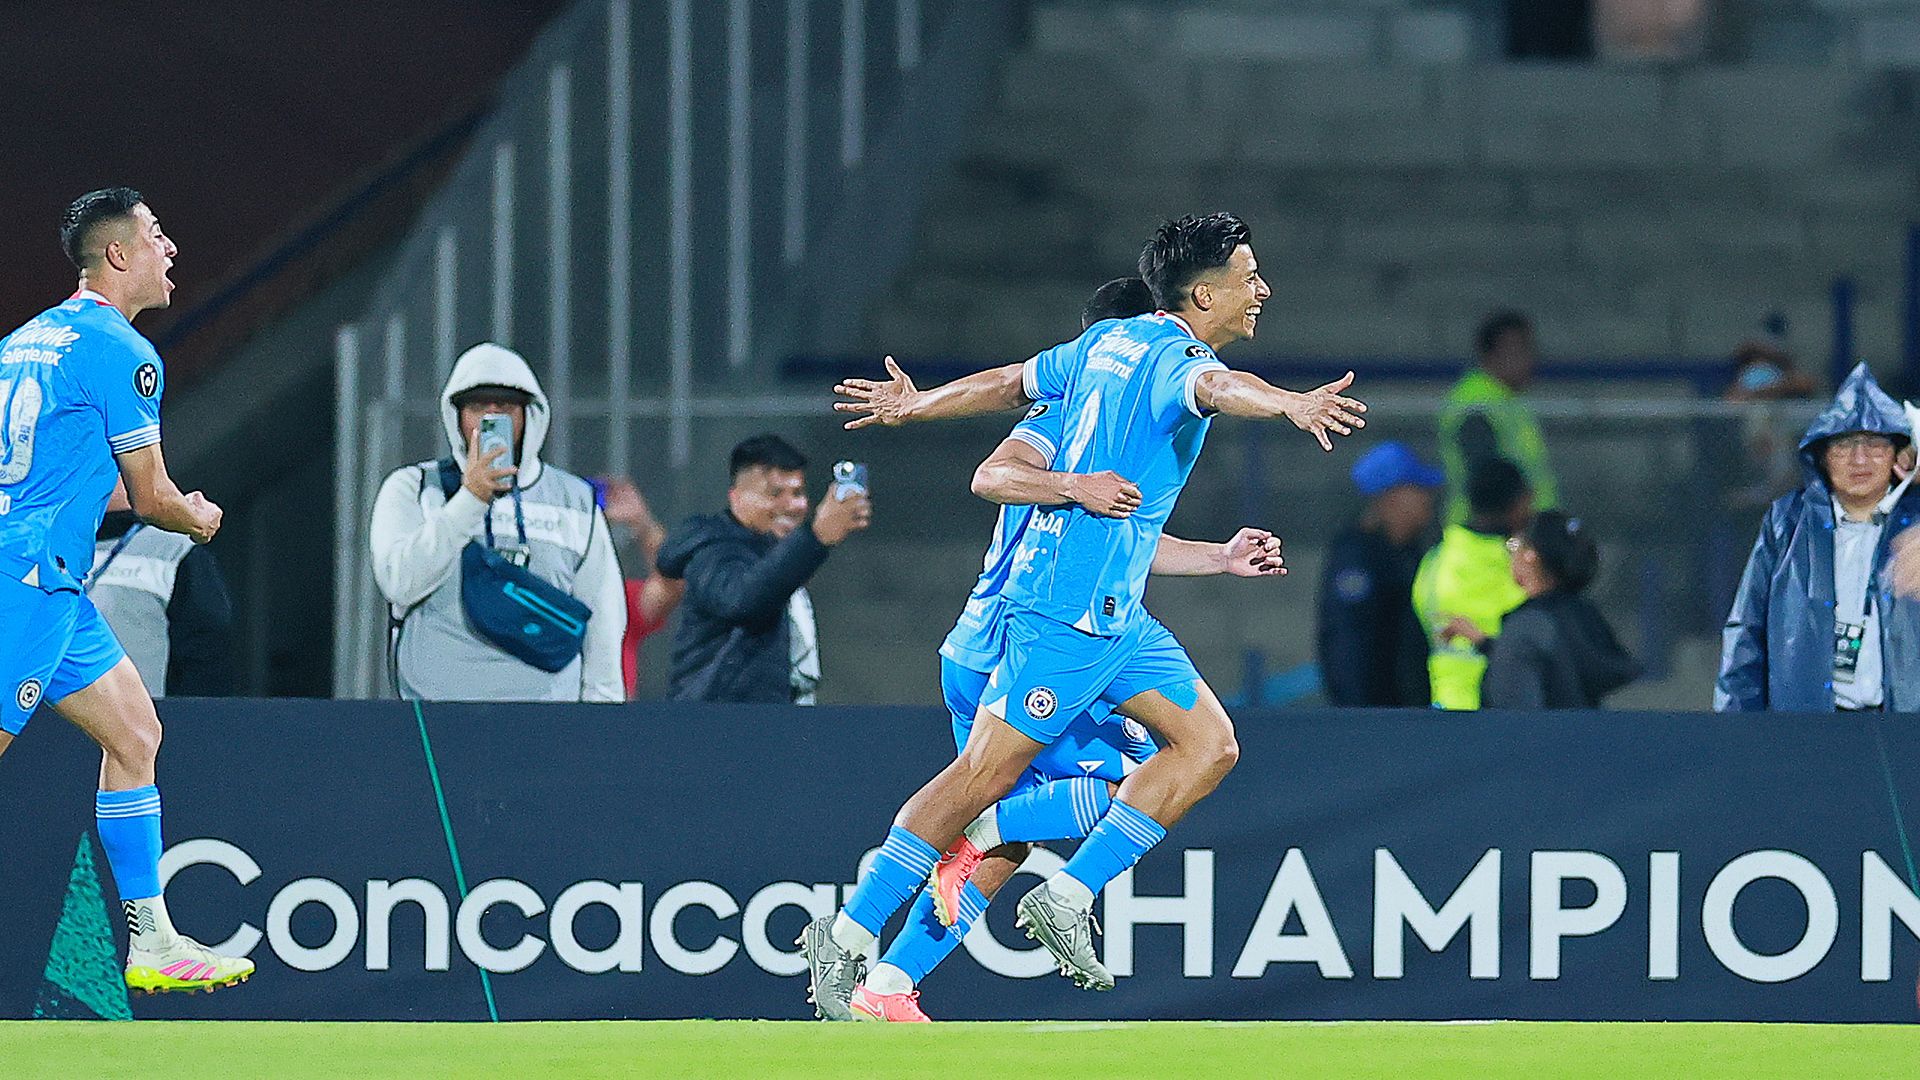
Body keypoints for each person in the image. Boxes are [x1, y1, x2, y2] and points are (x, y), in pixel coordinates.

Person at [807, 213, 1365, 1003]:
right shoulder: (1179, 360)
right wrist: (1291, 406)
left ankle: (1061, 899)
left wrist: (920, 405)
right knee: (983, 783)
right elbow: (1218, 388)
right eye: (1249, 274)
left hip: (1115, 616)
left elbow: (1010, 381)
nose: (1262, 288)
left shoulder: (1103, 346)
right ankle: (850, 937)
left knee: (1208, 746)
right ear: (1203, 293)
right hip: (1061, 617)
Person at [0, 187, 252, 994]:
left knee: (135, 735)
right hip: (27, 584)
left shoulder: (25, 341)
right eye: (155, 234)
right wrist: (197, 516)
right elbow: (151, 501)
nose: (170, 247)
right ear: (118, 256)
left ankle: (152, 942)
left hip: (51, 586)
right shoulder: (123, 351)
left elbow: (60, 470)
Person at [370, 343, 626, 701]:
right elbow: (399, 583)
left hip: (548, 724)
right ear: (456, 416)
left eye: (505, 406)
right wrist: (471, 498)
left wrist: (600, 722)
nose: (492, 416)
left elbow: (604, 620)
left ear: (529, 415)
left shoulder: (576, 500)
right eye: (477, 406)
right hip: (434, 716)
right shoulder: (413, 487)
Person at [1717, 363, 1920, 712]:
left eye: (1875, 444)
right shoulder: (1788, 522)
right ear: (1822, 455)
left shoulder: (1915, 524)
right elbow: (1746, 633)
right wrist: (1736, 735)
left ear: (1899, 455)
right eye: (1844, 446)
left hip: (1904, 732)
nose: (1860, 459)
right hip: (1808, 732)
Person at [655, 435, 871, 703]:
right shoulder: (712, 548)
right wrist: (816, 536)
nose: (793, 506)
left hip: (769, 725)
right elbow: (741, 599)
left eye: (798, 493)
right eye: (775, 494)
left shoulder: (775, 553)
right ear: (735, 497)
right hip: (717, 729)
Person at [1463, 510, 1641, 708]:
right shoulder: (1587, 618)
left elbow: (1517, 718)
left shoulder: (1526, 628)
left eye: (1513, 545)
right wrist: (1486, 644)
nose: (1511, 555)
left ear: (1531, 556)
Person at [1316, 441, 1442, 708]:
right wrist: (1361, 718)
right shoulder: (1357, 559)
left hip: (1409, 713)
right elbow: (1348, 645)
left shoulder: (1409, 552)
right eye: (1418, 489)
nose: (1428, 498)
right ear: (1392, 496)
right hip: (1376, 719)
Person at [90, 480, 235, 697]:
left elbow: (206, 655)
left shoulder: (175, 550)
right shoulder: (39, 541)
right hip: (39, 719)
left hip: (140, 722)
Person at [1413, 458, 1533, 710]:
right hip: (1515, 708)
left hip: (1447, 708)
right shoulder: (1527, 564)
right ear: (1520, 502)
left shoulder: (1438, 558)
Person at [1438, 309, 1557, 525]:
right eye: (1522, 350)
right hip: (1486, 532)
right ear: (1495, 353)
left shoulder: (1508, 399)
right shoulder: (1477, 402)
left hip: (1515, 529)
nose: (1531, 360)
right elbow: (1487, 477)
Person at [595, 474, 685, 698]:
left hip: (614, 720)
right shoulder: (536, 599)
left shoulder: (612, 600)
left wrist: (642, 522)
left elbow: (671, 582)